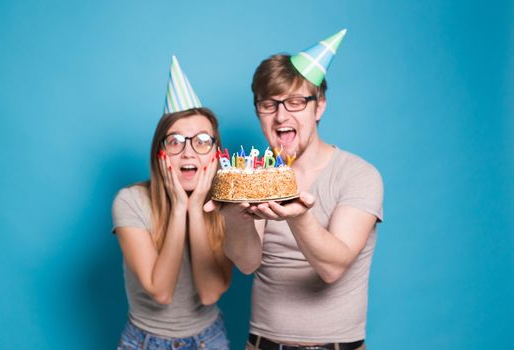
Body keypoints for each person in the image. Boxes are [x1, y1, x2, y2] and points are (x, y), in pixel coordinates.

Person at [208, 30, 383, 349]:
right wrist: (233, 215)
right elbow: (247, 262)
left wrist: (299, 218)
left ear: (319, 107)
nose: (281, 115)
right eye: (268, 104)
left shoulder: (359, 174)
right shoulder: (258, 176)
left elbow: (332, 268)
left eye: (295, 102)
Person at [112, 56, 232, 350]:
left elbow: (209, 294)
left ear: (216, 153)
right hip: (143, 341)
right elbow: (161, 292)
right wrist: (180, 207)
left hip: (209, 340)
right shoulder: (130, 201)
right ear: (160, 152)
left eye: (202, 140)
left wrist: (196, 207)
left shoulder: (228, 205)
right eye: (176, 141)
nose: (189, 153)